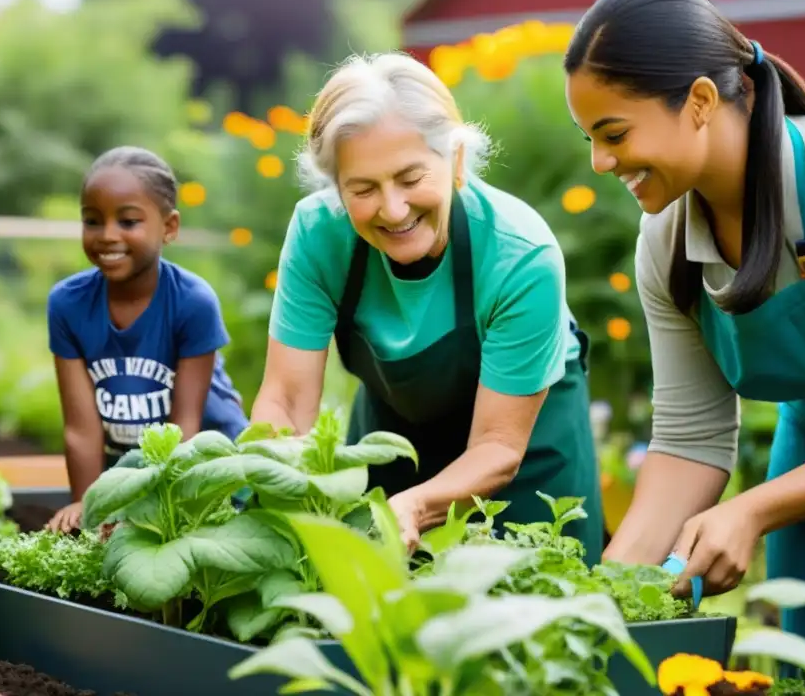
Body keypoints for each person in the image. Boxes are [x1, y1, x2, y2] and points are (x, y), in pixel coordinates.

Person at [564, 0, 805, 647]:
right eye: (590, 141)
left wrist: (751, 511)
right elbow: (689, 443)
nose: (602, 162)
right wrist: (602, 605)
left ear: (698, 101)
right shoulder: (665, 240)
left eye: (615, 133)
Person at [251, 52, 604, 563]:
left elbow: (498, 446)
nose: (393, 210)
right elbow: (284, 401)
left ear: (456, 161)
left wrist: (415, 506)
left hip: (524, 456)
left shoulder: (520, 254)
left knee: (537, 615)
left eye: (411, 178)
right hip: (394, 435)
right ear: (336, 188)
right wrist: (278, 496)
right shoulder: (318, 234)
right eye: (363, 189)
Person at [45, 146, 249, 532]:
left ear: (169, 227)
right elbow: (81, 429)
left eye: (128, 222)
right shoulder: (67, 305)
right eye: (92, 221)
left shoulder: (192, 302)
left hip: (212, 476)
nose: (108, 236)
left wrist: (145, 514)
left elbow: (185, 431)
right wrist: (90, 507)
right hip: (131, 474)